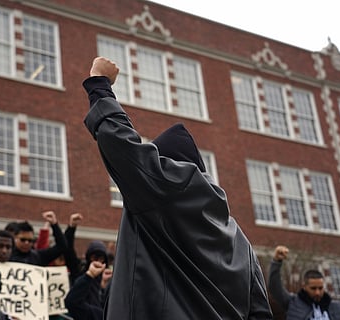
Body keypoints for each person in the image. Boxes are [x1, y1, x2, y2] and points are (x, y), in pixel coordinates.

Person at [82, 57, 272, 319]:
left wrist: (99, 85)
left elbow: (122, 146)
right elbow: (260, 312)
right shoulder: (241, 241)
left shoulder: (164, 192)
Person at [0, 199, 68, 266]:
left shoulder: (38, 257)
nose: (26, 243)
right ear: (15, 238)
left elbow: (62, 247)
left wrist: (54, 224)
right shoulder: (4, 254)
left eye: (30, 240)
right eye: (23, 240)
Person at [268, 245, 340, 320]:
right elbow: (275, 288)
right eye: (313, 288)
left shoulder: (337, 308)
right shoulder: (293, 303)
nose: (317, 292)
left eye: (320, 288)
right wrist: (276, 262)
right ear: (304, 287)